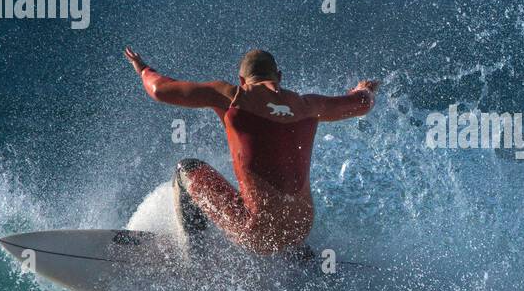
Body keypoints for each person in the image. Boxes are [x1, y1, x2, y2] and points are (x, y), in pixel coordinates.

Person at [124, 46, 378, 256]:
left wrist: (143, 69)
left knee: (186, 169)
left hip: (256, 232)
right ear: (279, 75)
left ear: (242, 80)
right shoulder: (308, 105)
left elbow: (159, 90)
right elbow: (362, 104)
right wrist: (362, 89)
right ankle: (295, 255)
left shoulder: (233, 97)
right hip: (301, 228)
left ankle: (196, 257)